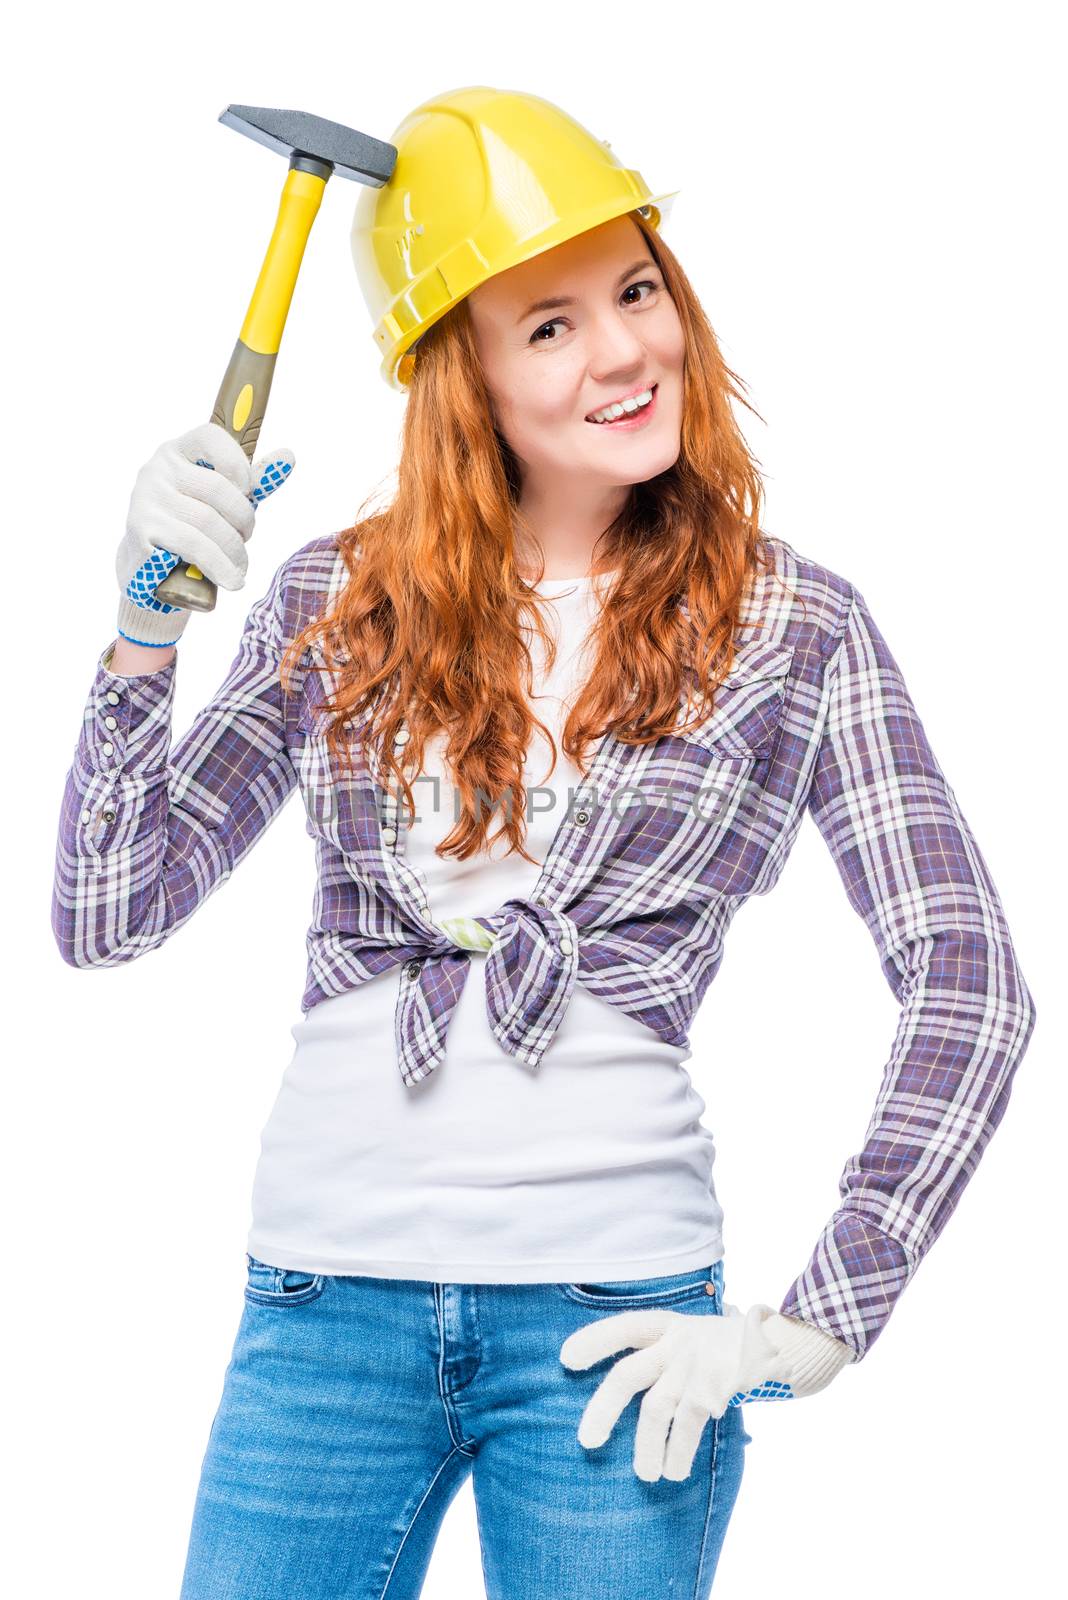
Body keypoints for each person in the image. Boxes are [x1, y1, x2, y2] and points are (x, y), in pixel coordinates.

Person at [51, 86, 1037, 1599]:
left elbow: (968, 978)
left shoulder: (796, 627)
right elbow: (110, 914)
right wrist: (139, 637)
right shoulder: (338, 599)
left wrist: (819, 1316)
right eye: (551, 324)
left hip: (613, 1326)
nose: (629, 350)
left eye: (637, 290)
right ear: (465, 379)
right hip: (320, 1310)